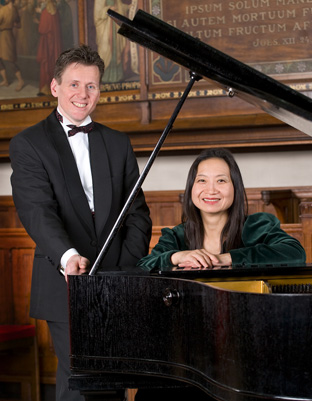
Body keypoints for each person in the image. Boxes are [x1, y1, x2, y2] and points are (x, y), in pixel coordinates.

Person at [9, 44, 152, 401]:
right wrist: (67, 255)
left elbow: (137, 214)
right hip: (64, 283)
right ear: (55, 87)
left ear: (100, 91)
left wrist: (125, 268)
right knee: (82, 379)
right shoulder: (28, 144)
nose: (82, 94)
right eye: (74, 84)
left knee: (112, 378)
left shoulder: (118, 143)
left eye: (91, 86)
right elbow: (36, 210)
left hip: (117, 281)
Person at [138, 148, 305, 272]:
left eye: (221, 181)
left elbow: (295, 253)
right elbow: (143, 266)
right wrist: (177, 256)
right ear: (191, 189)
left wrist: (226, 258)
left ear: (235, 188)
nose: (211, 190)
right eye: (202, 180)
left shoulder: (257, 226)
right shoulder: (176, 236)